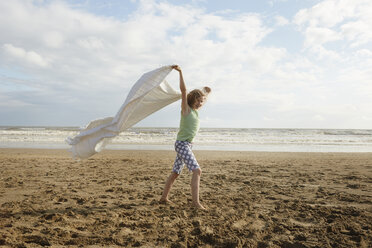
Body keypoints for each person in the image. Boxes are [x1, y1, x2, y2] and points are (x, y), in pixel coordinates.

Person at [159, 65, 211, 210]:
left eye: (201, 101)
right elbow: (183, 91)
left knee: (175, 173)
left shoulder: (196, 112)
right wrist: (180, 72)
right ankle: (195, 202)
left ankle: (163, 198)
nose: (200, 103)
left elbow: (203, 98)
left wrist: (207, 92)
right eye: (197, 100)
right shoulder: (186, 110)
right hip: (182, 144)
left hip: (187, 145)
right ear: (191, 100)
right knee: (197, 170)